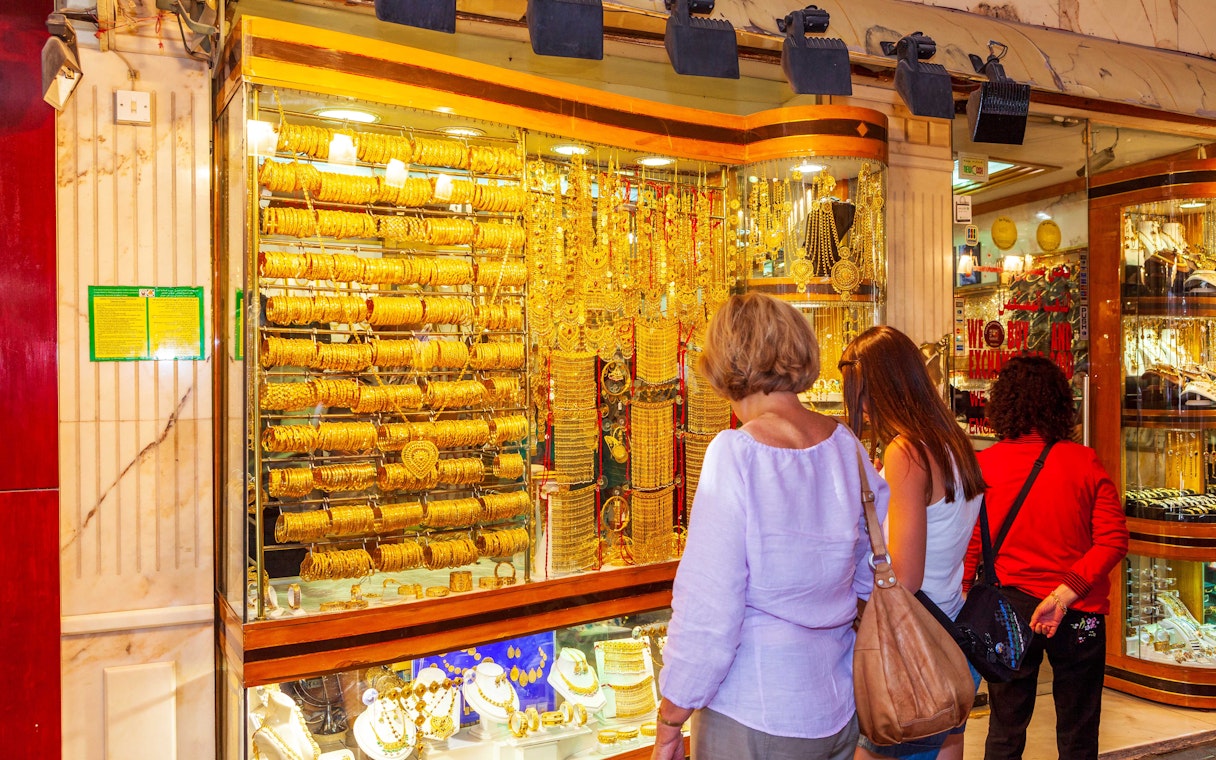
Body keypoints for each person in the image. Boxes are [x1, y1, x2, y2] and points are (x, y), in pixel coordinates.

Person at [652, 293, 889, 760]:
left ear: (728, 362)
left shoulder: (736, 453)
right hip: (838, 703)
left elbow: (709, 610)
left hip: (755, 710)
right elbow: (873, 572)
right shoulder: (845, 446)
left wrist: (671, 718)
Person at [963, 355, 1128, 760]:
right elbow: (1113, 540)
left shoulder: (982, 466)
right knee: (1079, 729)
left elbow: (970, 544)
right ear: (1060, 403)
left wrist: (965, 594)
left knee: (1005, 728)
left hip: (1008, 609)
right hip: (1078, 607)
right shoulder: (1083, 462)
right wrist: (1062, 594)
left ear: (1002, 404)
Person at [839, 326, 986, 760]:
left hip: (912, 647)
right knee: (947, 743)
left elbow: (904, 576)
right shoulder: (954, 443)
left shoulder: (907, 452)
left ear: (882, 388)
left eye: (861, 396)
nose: (862, 410)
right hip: (951, 634)